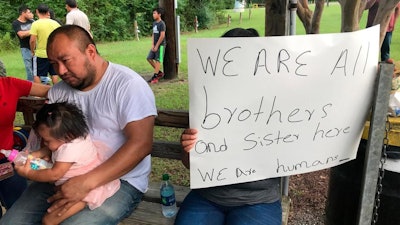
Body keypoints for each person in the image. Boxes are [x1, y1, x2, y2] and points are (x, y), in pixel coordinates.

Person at [0, 25, 157, 225]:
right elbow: (51, 140)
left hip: (118, 181)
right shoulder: (59, 92)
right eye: (54, 63)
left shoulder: (127, 85)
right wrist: (37, 161)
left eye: (65, 60)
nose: (60, 71)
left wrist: (86, 182)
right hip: (63, 172)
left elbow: (141, 144)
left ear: (90, 52)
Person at [174, 28, 282, 225]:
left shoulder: (278, 107)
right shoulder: (207, 104)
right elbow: (189, 163)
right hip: (208, 197)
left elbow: (294, 153)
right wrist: (188, 147)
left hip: (259, 201)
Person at [15, 102, 120, 225]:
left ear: (67, 136)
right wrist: (36, 154)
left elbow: (54, 175)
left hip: (85, 190)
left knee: (49, 221)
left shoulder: (69, 150)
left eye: (47, 141)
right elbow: (50, 148)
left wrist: (29, 173)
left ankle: (83, 205)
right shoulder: (74, 136)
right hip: (73, 181)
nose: (45, 143)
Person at [0, 61, 50, 218]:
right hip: (9, 160)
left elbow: (52, 91)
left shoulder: (9, 84)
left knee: (19, 209)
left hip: (7, 162)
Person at [30, 3, 60, 85]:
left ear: (37, 12)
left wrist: (32, 51)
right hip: (53, 53)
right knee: (54, 73)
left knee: (37, 74)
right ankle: (56, 92)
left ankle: (39, 94)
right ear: (48, 12)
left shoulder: (36, 24)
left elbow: (32, 40)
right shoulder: (55, 23)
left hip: (40, 54)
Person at [12, 5, 35, 82]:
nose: (30, 14)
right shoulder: (16, 23)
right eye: (29, 12)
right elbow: (21, 35)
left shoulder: (32, 21)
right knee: (28, 67)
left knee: (36, 66)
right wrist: (33, 30)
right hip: (25, 48)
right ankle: (30, 83)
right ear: (23, 13)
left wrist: (28, 32)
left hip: (35, 46)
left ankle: (41, 81)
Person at [147, 7, 166, 84]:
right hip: (154, 45)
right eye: (153, 13)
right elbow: (153, 34)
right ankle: (159, 73)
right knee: (149, 58)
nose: (153, 15)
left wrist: (157, 45)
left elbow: (162, 36)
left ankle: (155, 76)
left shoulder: (162, 24)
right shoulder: (154, 23)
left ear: (159, 14)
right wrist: (152, 44)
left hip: (161, 46)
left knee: (158, 60)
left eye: (155, 13)